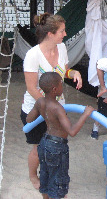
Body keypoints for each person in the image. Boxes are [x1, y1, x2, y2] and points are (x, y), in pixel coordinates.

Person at [20, 13, 83, 190]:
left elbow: (65, 70)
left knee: (55, 147)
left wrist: (74, 74)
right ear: (50, 34)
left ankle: (51, 175)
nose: (65, 34)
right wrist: (47, 110)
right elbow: (32, 88)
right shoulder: (33, 56)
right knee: (38, 148)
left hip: (57, 110)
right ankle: (33, 176)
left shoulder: (61, 48)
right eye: (62, 31)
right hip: (36, 110)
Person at [26, 72, 94, 199]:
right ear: (55, 89)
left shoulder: (40, 102)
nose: (62, 87)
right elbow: (72, 132)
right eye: (61, 84)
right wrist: (85, 114)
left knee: (45, 174)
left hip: (44, 143)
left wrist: (45, 114)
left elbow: (29, 119)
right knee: (58, 179)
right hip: (57, 146)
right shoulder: (58, 108)